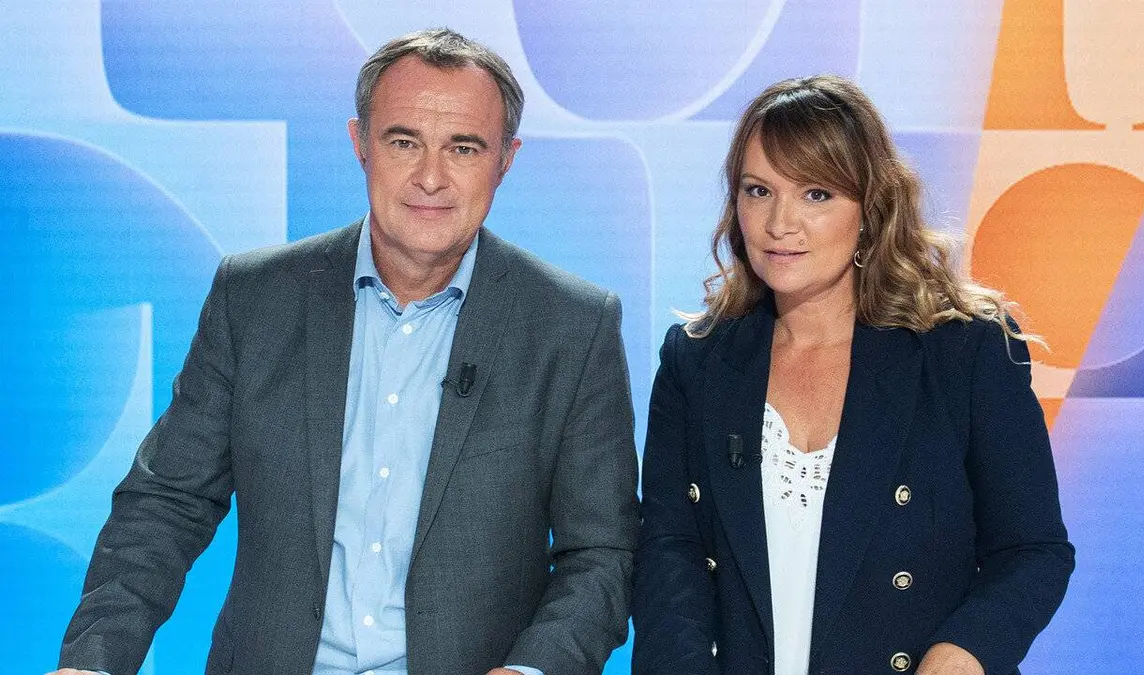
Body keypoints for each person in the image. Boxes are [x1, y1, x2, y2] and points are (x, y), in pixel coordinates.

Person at [53, 28, 638, 675]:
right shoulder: (255, 298)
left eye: (463, 148)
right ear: (360, 143)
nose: (431, 177)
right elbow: (166, 504)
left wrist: (531, 671)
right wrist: (93, 662)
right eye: (403, 142)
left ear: (505, 159)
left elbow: (601, 555)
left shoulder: (572, 326)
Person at [631, 75, 1074, 675]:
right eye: (759, 191)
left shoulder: (966, 351)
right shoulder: (698, 360)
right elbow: (669, 553)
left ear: (870, 211)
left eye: (816, 194)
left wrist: (962, 654)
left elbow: (1031, 550)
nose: (780, 222)